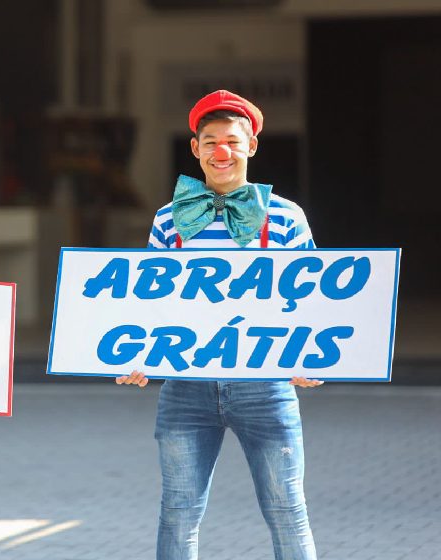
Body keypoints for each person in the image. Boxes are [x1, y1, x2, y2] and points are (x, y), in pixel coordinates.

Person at [117, 89, 322, 560]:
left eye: (231, 141)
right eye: (210, 142)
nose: (221, 152)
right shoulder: (168, 220)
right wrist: (141, 354)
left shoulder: (287, 217)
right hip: (186, 387)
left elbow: (311, 296)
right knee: (178, 513)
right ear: (195, 149)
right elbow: (153, 299)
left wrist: (309, 355)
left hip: (265, 385)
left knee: (287, 509)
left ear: (251, 146)